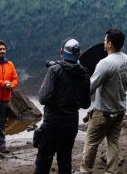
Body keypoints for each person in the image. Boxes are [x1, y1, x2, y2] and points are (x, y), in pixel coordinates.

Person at [34, 38, 91, 174]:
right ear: (78, 54)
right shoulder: (84, 74)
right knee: (65, 160)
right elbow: (86, 103)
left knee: (43, 162)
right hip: (71, 124)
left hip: (53, 123)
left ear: (61, 52)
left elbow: (43, 98)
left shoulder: (54, 71)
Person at [80, 29, 127, 174]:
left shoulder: (105, 63)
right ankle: (110, 172)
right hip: (120, 110)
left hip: (103, 112)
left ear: (109, 44)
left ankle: (85, 171)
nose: (103, 42)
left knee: (91, 143)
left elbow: (90, 88)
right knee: (113, 143)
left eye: (105, 40)